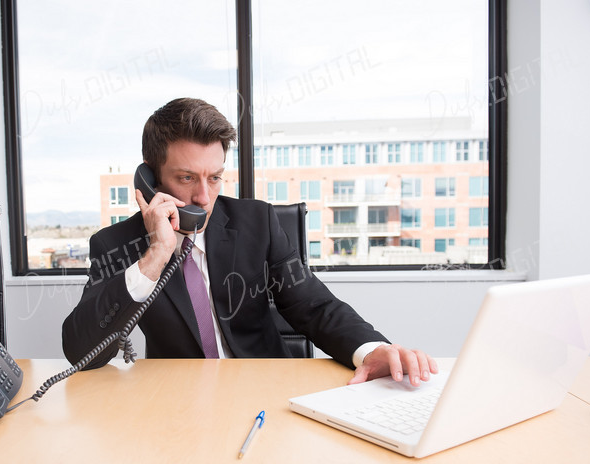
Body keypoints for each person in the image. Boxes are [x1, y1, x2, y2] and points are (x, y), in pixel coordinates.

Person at [62, 97, 437, 386]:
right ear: (150, 179)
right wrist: (156, 255)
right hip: (178, 400)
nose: (204, 198)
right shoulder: (115, 243)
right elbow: (81, 351)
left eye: (214, 178)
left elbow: (314, 305)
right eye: (187, 178)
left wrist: (370, 351)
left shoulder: (257, 221)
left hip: (266, 390)